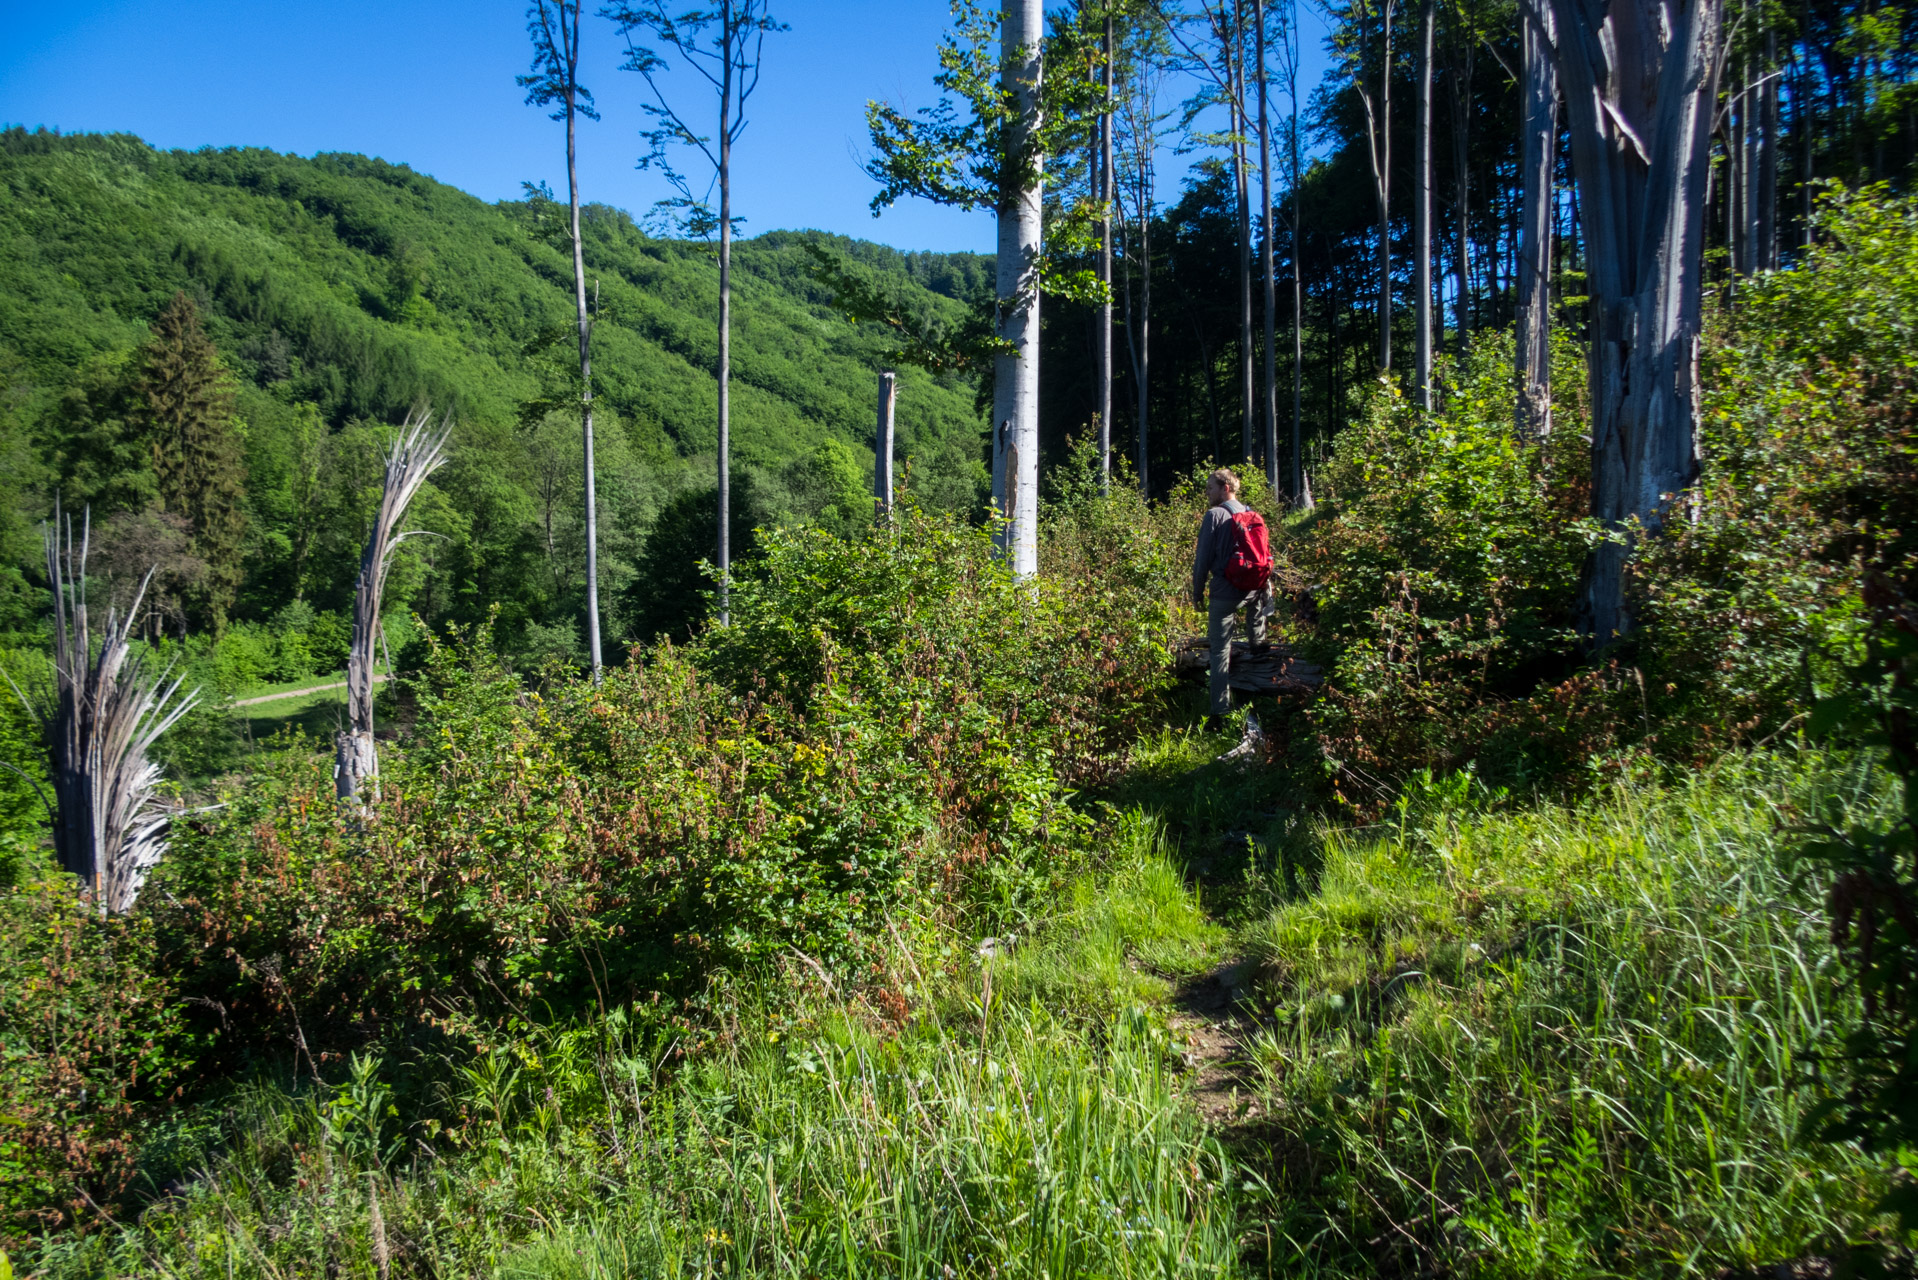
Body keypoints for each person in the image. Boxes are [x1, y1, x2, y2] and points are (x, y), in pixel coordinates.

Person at [1190, 467, 1271, 733]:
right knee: (1255, 629)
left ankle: (1220, 715)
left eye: (1210, 487)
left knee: (1219, 652)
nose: (1207, 493)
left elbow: (1202, 559)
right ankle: (1258, 644)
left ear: (1225, 487)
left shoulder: (1214, 515)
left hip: (1225, 592)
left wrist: (1197, 591)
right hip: (1253, 590)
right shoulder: (1250, 512)